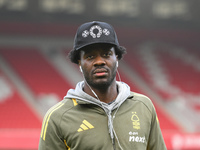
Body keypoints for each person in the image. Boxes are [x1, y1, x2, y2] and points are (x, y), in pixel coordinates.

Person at [38, 21, 167, 150]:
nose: (99, 61)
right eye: (90, 56)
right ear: (79, 63)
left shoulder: (144, 106)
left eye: (106, 54)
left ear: (116, 58)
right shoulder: (58, 117)